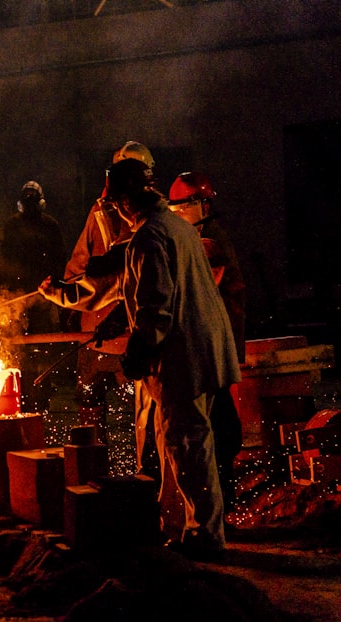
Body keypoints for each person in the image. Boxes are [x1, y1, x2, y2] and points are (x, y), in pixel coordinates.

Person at [98, 158, 240, 560]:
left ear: (126, 201)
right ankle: (181, 527)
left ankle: (206, 536)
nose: (116, 212)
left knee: (188, 446)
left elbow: (157, 307)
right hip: (202, 350)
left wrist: (137, 353)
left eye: (116, 205)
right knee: (183, 444)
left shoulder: (149, 238)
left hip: (183, 358)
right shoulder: (176, 226)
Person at [60, 142, 156, 470]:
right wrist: (67, 298)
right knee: (133, 403)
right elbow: (84, 265)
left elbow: (89, 269)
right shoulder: (147, 214)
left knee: (105, 400)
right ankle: (124, 469)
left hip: (120, 326)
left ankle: (101, 469)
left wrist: (67, 299)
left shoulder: (138, 222)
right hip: (115, 327)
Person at [168, 171, 246, 514]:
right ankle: (222, 503)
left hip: (213, 343)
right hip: (215, 342)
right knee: (216, 422)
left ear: (202, 204)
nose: (178, 214)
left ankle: (220, 508)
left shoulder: (208, 241)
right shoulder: (202, 235)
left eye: (182, 207)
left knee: (217, 426)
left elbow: (198, 288)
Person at [0, 181, 66, 411]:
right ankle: (25, 392)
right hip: (20, 296)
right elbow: (5, 259)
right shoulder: (13, 225)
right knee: (20, 347)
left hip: (43, 296)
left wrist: (54, 287)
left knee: (42, 345)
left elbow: (59, 260)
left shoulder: (50, 226)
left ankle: (41, 391)